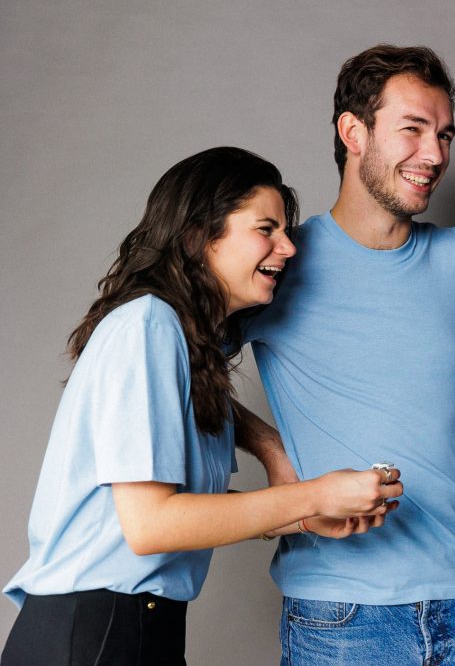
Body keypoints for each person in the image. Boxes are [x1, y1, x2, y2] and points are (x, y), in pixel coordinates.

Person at [2, 147, 403, 666]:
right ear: (199, 235)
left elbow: (189, 509)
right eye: (267, 228)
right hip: (98, 633)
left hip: (136, 630)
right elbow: (153, 526)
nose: (288, 247)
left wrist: (303, 510)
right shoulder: (147, 326)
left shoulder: (185, 347)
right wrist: (311, 495)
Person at [237, 46, 455, 665]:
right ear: (354, 132)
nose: (437, 155)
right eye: (413, 130)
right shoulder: (282, 262)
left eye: (444, 135)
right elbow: (188, 372)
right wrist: (269, 446)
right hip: (341, 614)